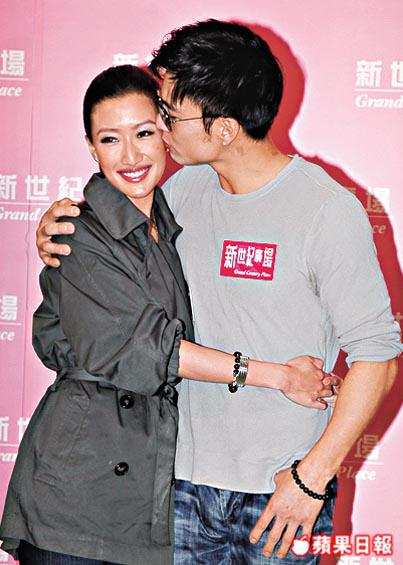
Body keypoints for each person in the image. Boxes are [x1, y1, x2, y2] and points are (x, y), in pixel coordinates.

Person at [34, 20, 401, 564]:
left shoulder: (326, 210)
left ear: (224, 128)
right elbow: (107, 267)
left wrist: (312, 478)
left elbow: (379, 358)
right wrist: (56, 227)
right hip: (180, 485)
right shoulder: (181, 192)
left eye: (169, 114)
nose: (160, 127)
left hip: (280, 489)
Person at [0, 64, 338, 565]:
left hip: (153, 491)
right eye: (110, 139)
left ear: (167, 132)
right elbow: (147, 348)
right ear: (91, 148)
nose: (130, 156)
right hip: (77, 489)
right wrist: (280, 376)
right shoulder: (77, 234)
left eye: (144, 133)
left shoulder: (177, 210)